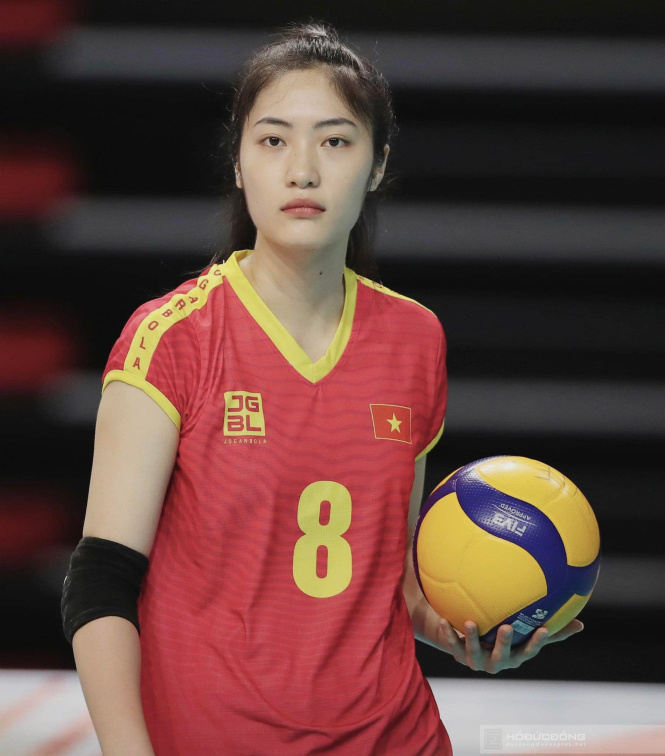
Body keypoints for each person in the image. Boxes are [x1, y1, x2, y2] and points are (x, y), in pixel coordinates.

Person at [62, 20, 454, 756]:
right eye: (273, 140)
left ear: (377, 165)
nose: (302, 170)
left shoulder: (416, 339)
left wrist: (460, 630)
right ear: (239, 165)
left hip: (393, 738)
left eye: (335, 142)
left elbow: (389, 581)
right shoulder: (172, 337)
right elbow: (100, 580)